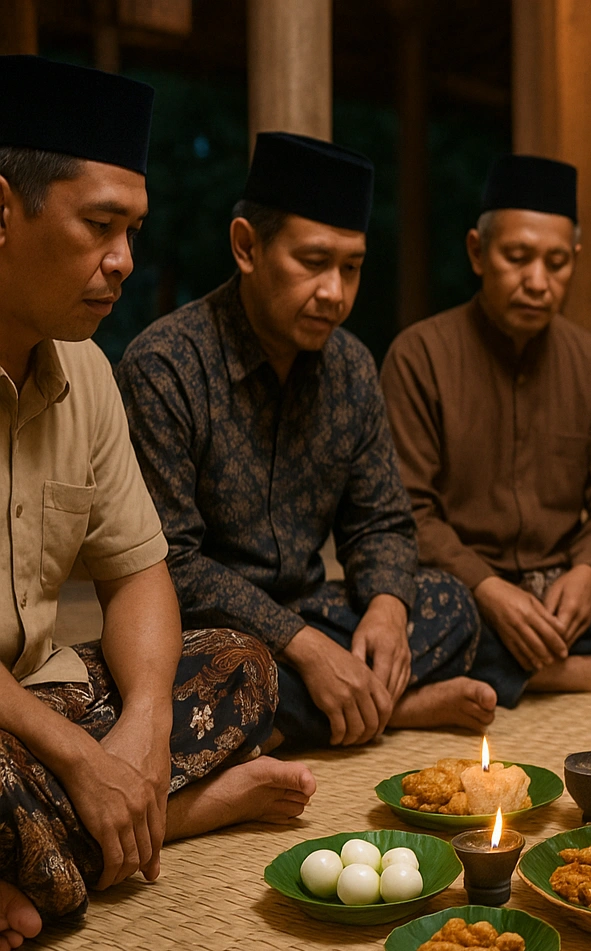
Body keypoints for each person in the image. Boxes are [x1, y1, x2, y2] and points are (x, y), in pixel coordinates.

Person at [0, 56, 313, 951]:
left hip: (43, 699)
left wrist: (139, 726)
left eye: (133, 229)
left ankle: (56, 849)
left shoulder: (86, 369)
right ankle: (172, 817)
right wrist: (80, 760)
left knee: (244, 665)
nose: (125, 261)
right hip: (19, 735)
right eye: (101, 226)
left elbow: (140, 574)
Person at [117, 132, 494, 753]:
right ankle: (391, 709)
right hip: (207, 631)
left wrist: (387, 609)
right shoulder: (167, 365)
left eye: (351, 268)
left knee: (448, 602)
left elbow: (381, 523)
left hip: (317, 611)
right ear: (247, 247)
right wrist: (304, 648)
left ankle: (324, 712)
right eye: (313, 262)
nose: (335, 293)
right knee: (176, 680)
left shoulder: (350, 366)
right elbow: (169, 564)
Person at [381, 155, 591, 707]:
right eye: (517, 257)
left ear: (575, 261)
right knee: (400, 610)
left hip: (563, 598)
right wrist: (488, 588)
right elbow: (408, 510)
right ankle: (573, 673)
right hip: (464, 590)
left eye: (555, 263)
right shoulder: (419, 356)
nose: (537, 282)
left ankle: (515, 671)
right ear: (478, 253)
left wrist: (588, 572)